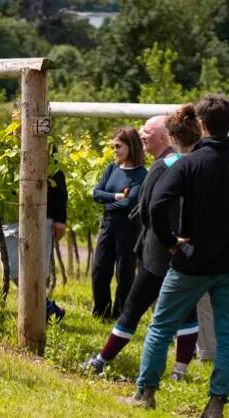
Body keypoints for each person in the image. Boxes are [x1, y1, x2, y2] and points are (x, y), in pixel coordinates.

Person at [131, 94, 229, 418]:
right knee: (228, 334)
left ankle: (145, 392)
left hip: (191, 259)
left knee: (161, 325)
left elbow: (158, 205)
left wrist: (171, 241)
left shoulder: (187, 163)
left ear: (201, 125)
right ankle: (216, 403)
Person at [83, 106, 201, 379]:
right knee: (186, 310)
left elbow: (146, 207)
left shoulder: (163, 166)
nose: (143, 136)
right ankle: (180, 370)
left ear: (163, 136)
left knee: (133, 307)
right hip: (182, 248)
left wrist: (165, 239)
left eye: (147, 132)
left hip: (160, 250)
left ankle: (103, 360)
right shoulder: (184, 162)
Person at [91, 127, 147, 319]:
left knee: (124, 272)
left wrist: (110, 201)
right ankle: (101, 311)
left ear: (131, 146)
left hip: (128, 227)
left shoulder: (141, 174)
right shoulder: (112, 168)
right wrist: (116, 196)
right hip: (108, 224)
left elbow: (130, 201)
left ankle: (121, 313)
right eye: (113, 146)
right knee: (99, 268)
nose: (114, 150)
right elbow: (96, 194)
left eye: (118, 146)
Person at [4, 159, 68, 321]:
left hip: (42, 215)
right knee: (12, 268)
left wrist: (60, 219)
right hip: (9, 216)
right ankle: (48, 307)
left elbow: (59, 185)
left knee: (37, 268)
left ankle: (39, 314)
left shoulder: (46, 146)